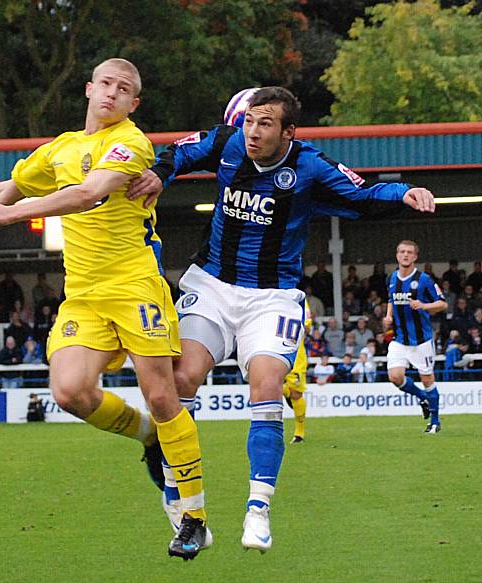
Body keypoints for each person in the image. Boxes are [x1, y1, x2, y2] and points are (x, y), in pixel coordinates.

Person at [0, 57, 209, 559]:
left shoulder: (131, 143)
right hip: (84, 294)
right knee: (69, 391)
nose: (112, 93)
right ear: (88, 89)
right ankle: (150, 438)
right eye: (105, 84)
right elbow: (6, 188)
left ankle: (193, 516)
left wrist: (14, 214)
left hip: (135, 288)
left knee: (162, 394)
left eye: (123, 89)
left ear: (134, 102)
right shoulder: (60, 149)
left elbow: (86, 195)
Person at [127, 85, 436, 553]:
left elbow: (362, 192)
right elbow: (178, 154)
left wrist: (404, 192)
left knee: (268, 385)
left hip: (272, 297)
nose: (252, 131)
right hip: (212, 286)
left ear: (288, 132)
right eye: (249, 121)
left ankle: (258, 509)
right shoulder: (227, 141)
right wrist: (158, 175)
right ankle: (186, 507)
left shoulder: (309, 165)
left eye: (265, 123)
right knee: (180, 380)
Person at [383, 240, 447, 433]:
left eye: (409, 252)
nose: (405, 255)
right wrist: (388, 316)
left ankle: (435, 422)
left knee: (427, 379)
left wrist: (424, 305)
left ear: (415, 257)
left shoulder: (424, 279)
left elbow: (442, 304)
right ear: (397, 255)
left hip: (421, 340)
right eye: (402, 252)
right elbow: (390, 299)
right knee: (395, 377)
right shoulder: (391, 278)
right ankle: (423, 397)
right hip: (400, 339)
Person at [282, 300, 311, 443]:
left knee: (295, 393)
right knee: (269, 386)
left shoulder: (300, 300)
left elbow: (307, 327)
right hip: (272, 350)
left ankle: (299, 433)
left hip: (295, 353)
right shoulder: (268, 295)